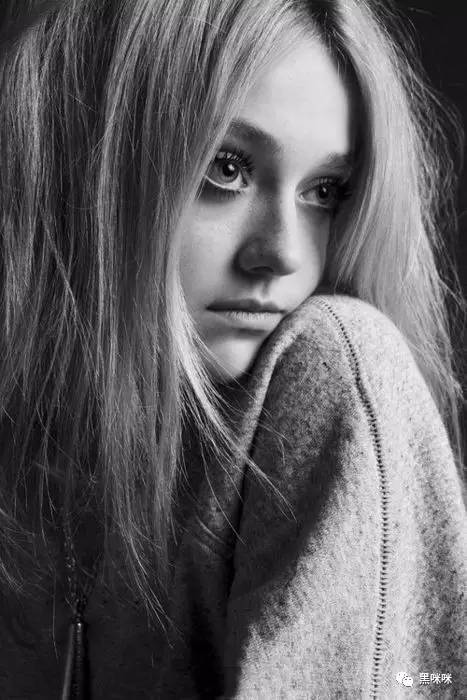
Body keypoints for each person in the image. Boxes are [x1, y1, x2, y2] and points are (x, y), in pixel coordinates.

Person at [0, 0, 465, 698]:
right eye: (226, 168)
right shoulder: (34, 450)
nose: (283, 254)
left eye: (324, 191)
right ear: (83, 164)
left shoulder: (335, 368)